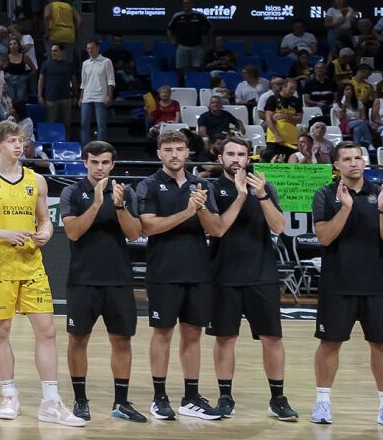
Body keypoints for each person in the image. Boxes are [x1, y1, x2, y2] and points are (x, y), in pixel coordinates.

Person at [0, 121, 82, 426]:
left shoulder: (36, 181)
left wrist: (45, 232)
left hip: (31, 263)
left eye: (22, 140)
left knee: (47, 331)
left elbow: (45, 220)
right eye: (13, 141)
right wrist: (4, 234)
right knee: (1, 332)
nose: (19, 145)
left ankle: (51, 401)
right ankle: (9, 394)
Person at [310, 144, 383, 429]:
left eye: (358, 158)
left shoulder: (382, 193)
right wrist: (346, 208)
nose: (354, 163)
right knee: (329, 344)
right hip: (337, 284)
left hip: (376, 284)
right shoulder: (325, 194)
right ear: (336, 165)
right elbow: (324, 238)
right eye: (347, 159)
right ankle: (323, 401)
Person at [201, 136, 295, 421]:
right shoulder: (211, 188)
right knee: (225, 338)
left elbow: (279, 226)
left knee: (272, 338)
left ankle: (278, 398)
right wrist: (241, 196)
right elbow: (216, 229)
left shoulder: (264, 187)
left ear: (248, 158)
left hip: (262, 273)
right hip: (223, 274)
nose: (236, 159)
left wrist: (261, 194)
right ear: (221, 158)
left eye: (241, 154)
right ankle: (225, 396)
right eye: (230, 154)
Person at [129, 128, 220, 421]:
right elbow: (148, 227)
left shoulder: (201, 185)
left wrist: (201, 207)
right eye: (168, 150)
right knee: (163, 333)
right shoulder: (149, 185)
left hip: (197, 270)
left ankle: (191, 396)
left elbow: (216, 229)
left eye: (179, 149)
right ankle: (159, 397)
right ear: (159, 154)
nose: (174, 155)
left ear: (187, 152)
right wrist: (187, 212)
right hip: (163, 271)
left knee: (193, 333)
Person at [61, 141, 144, 422]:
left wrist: (119, 206)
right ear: (85, 162)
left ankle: (121, 402)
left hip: (118, 278)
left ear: (112, 164)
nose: (99, 168)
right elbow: (72, 232)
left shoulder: (125, 192)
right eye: (94, 162)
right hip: (83, 279)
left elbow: (134, 234)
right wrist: (97, 202)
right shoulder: (72, 191)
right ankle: (80, 400)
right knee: (78, 339)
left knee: (122, 340)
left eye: (105, 162)